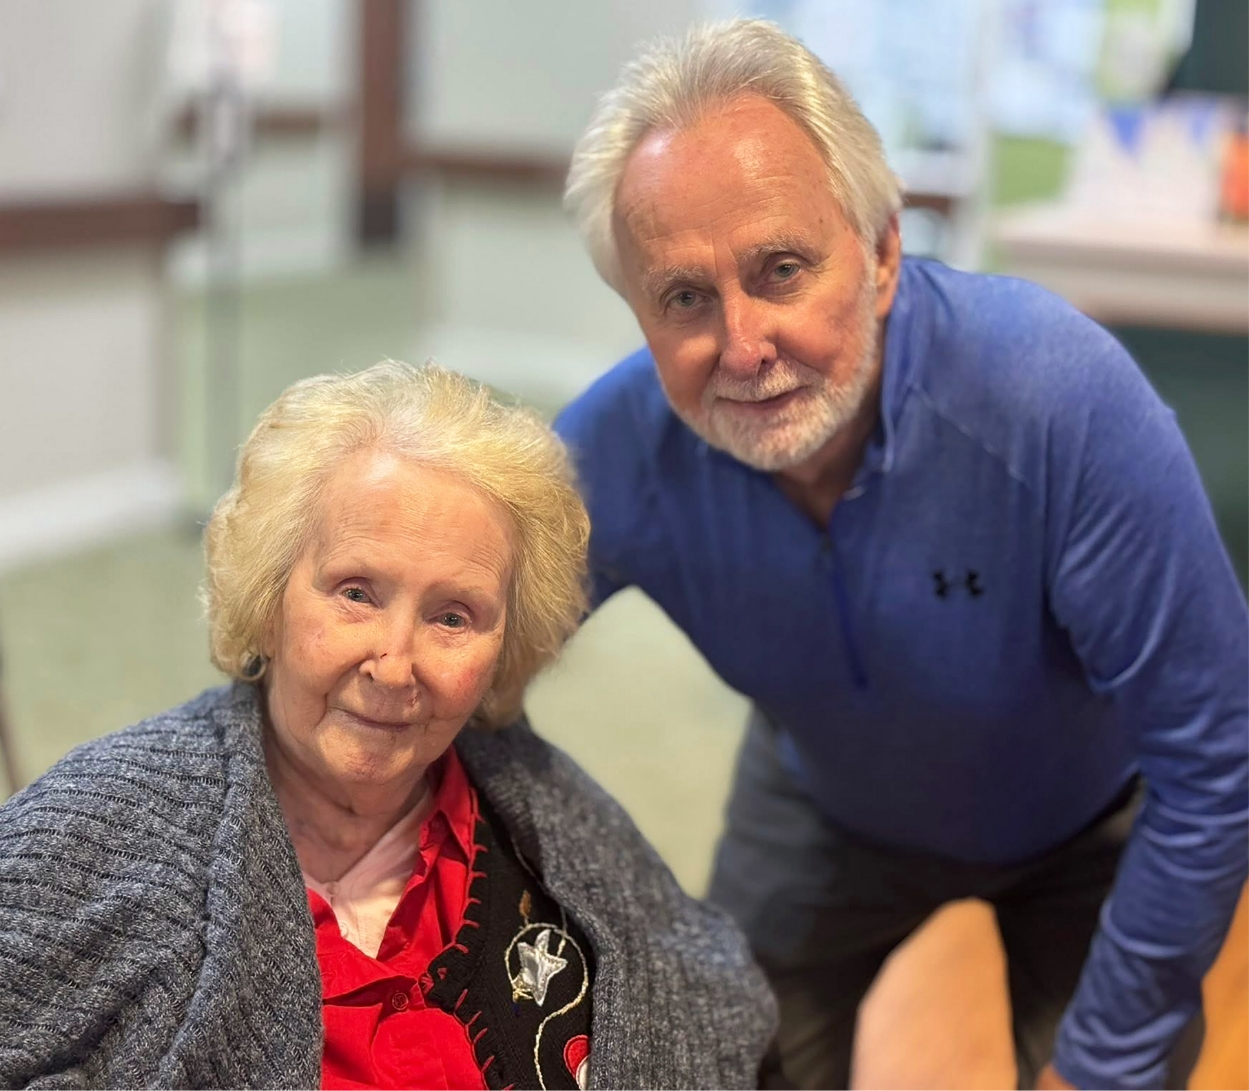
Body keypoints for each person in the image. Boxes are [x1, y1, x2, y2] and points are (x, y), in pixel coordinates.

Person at [555, 18, 1249, 1091]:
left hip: (1085, 819)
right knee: (715, 1060)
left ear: (880, 254)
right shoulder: (617, 446)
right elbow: (460, 640)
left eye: (781, 269)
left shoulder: (1054, 399)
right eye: (683, 298)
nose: (743, 347)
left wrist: (1100, 1065)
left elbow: (1214, 755)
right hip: (820, 802)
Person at [0, 361, 776, 1090]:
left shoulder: (548, 809)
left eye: (453, 616)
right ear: (268, 599)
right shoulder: (91, 836)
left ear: (503, 648)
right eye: (356, 593)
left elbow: (715, 1009)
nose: (395, 665)